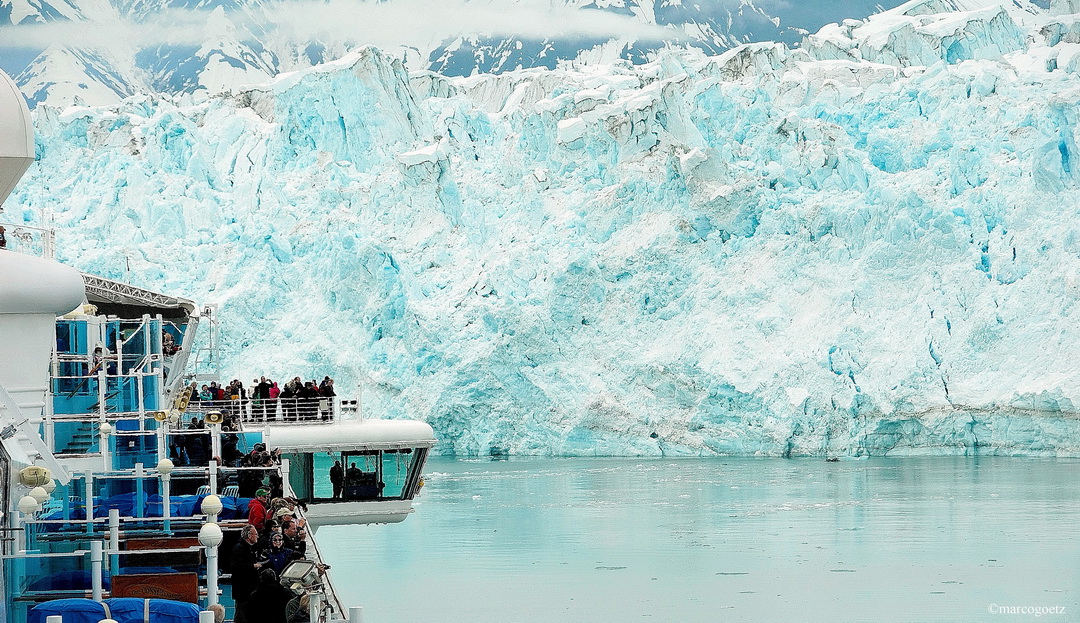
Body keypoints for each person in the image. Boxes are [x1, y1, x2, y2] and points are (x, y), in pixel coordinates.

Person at [230, 524, 265, 623]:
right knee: (241, 612)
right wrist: (253, 566)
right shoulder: (240, 548)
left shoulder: (250, 548)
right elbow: (235, 567)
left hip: (249, 587)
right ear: (249, 536)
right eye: (256, 534)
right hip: (243, 588)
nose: (257, 536)